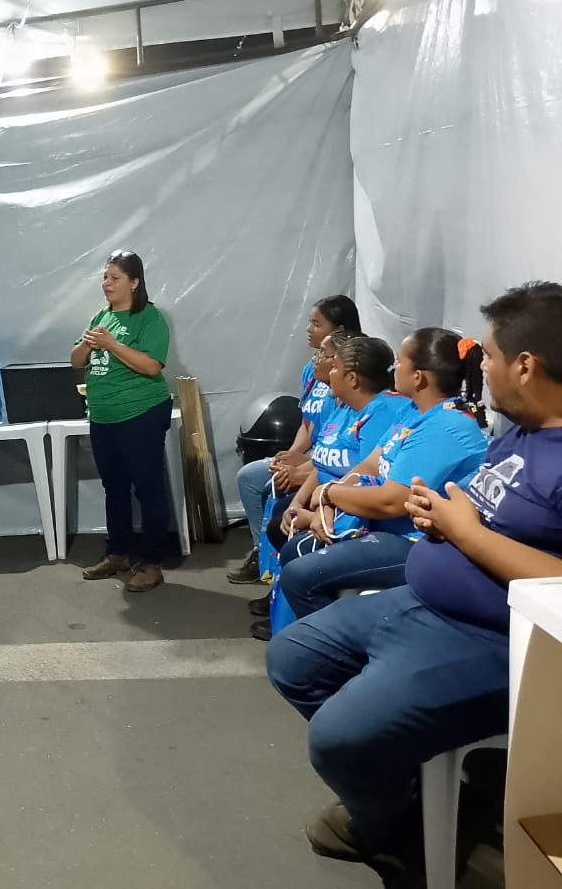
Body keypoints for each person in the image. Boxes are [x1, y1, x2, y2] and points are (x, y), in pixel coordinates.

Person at [266, 281, 562, 886]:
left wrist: (464, 531)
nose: (484, 373)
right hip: (422, 600)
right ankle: (402, 787)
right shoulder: (521, 434)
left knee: (339, 738)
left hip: (493, 640)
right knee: (293, 656)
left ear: (526, 366)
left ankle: (390, 828)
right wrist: (446, 518)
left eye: (493, 359)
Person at [272, 329, 488, 619]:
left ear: (419, 377)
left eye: (399, 362)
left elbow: (391, 501)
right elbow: (370, 465)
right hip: (385, 526)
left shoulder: (446, 427)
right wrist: (328, 501)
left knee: (300, 572)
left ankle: (338, 651)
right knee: (296, 547)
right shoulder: (413, 411)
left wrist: (329, 493)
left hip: (417, 542)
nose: (391, 368)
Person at [230, 295, 361, 584]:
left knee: (276, 494)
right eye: (309, 322)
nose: (309, 329)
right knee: (250, 478)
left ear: (338, 331)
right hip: (312, 459)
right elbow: (308, 423)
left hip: (324, 468)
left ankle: (281, 570)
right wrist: (289, 455)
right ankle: (261, 552)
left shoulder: (353, 390)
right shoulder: (311, 372)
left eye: (317, 323)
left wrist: (304, 466)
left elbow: (346, 451)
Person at [70, 250, 174, 593]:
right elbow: (74, 360)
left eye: (115, 278)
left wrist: (112, 344)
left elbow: (152, 366)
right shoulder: (101, 315)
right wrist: (88, 344)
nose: (107, 284)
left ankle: (151, 562)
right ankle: (117, 554)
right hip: (103, 417)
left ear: (134, 282)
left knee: (147, 488)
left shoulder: (149, 318)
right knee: (113, 488)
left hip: (141, 414)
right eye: (104, 277)